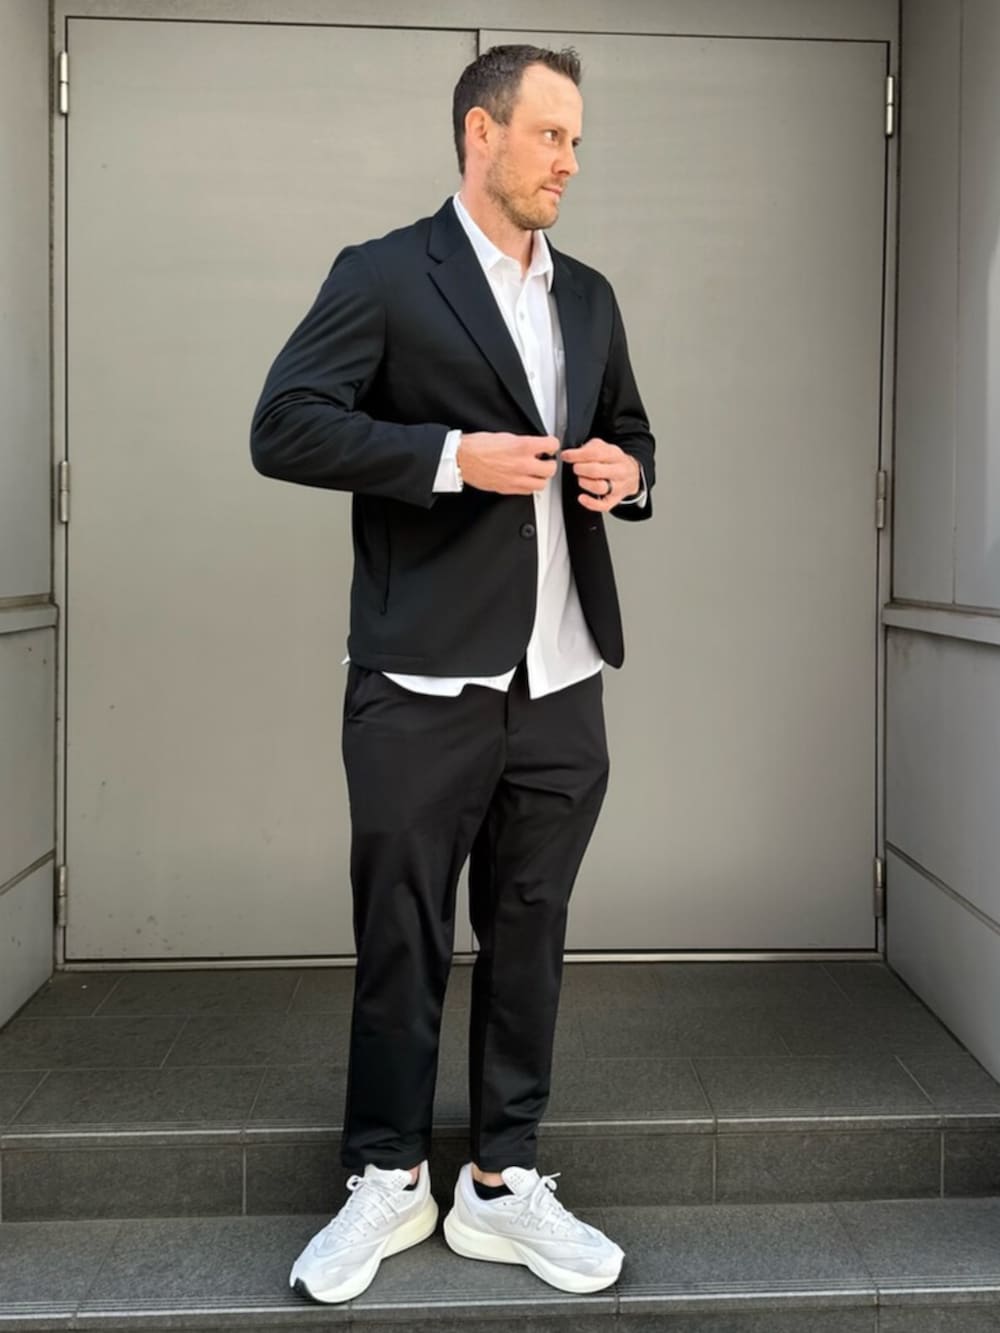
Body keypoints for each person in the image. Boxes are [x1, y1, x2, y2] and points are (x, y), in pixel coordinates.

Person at [250, 43, 654, 1306]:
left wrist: (627, 474)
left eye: (576, 140)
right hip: (420, 677)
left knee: (530, 932)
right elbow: (284, 425)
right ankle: (385, 1175)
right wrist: (445, 458)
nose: (569, 161)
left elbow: (630, 429)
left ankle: (501, 1179)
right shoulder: (382, 274)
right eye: (550, 136)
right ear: (481, 132)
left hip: (562, 675)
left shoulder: (588, 296)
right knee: (403, 934)